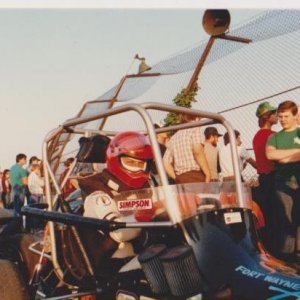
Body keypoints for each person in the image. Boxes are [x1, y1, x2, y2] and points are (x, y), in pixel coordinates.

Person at [80, 131, 154, 263]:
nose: (137, 168)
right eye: (131, 162)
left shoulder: (146, 187)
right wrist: (153, 210)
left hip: (145, 247)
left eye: (140, 164)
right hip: (111, 261)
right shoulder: (96, 191)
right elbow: (118, 233)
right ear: (115, 159)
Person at [266, 100, 300, 261]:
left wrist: (284, 156)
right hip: (283, 183)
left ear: (295, 116)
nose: (283, 119)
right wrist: (296, 153)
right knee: (287, 221)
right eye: (280, 116)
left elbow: (279, 157)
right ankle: (288, 259)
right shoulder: (274, 137)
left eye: (286, 116)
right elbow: (271, 155)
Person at [252, 101, 278, 254]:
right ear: (267, 117)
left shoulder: (256, 137)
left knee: (269, 214)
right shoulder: (272, 135)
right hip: (274, 177)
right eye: (274, 113)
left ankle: (271, 248)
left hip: (263, 178)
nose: (277, 116)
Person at [163, 114, 210, 183]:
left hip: (180, 177)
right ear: (196, 119)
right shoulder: (195, 130)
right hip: (196, 175)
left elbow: (165, 161)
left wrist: (176, 178)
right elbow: (197, 151)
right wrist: (207, 173)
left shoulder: (174, 137)